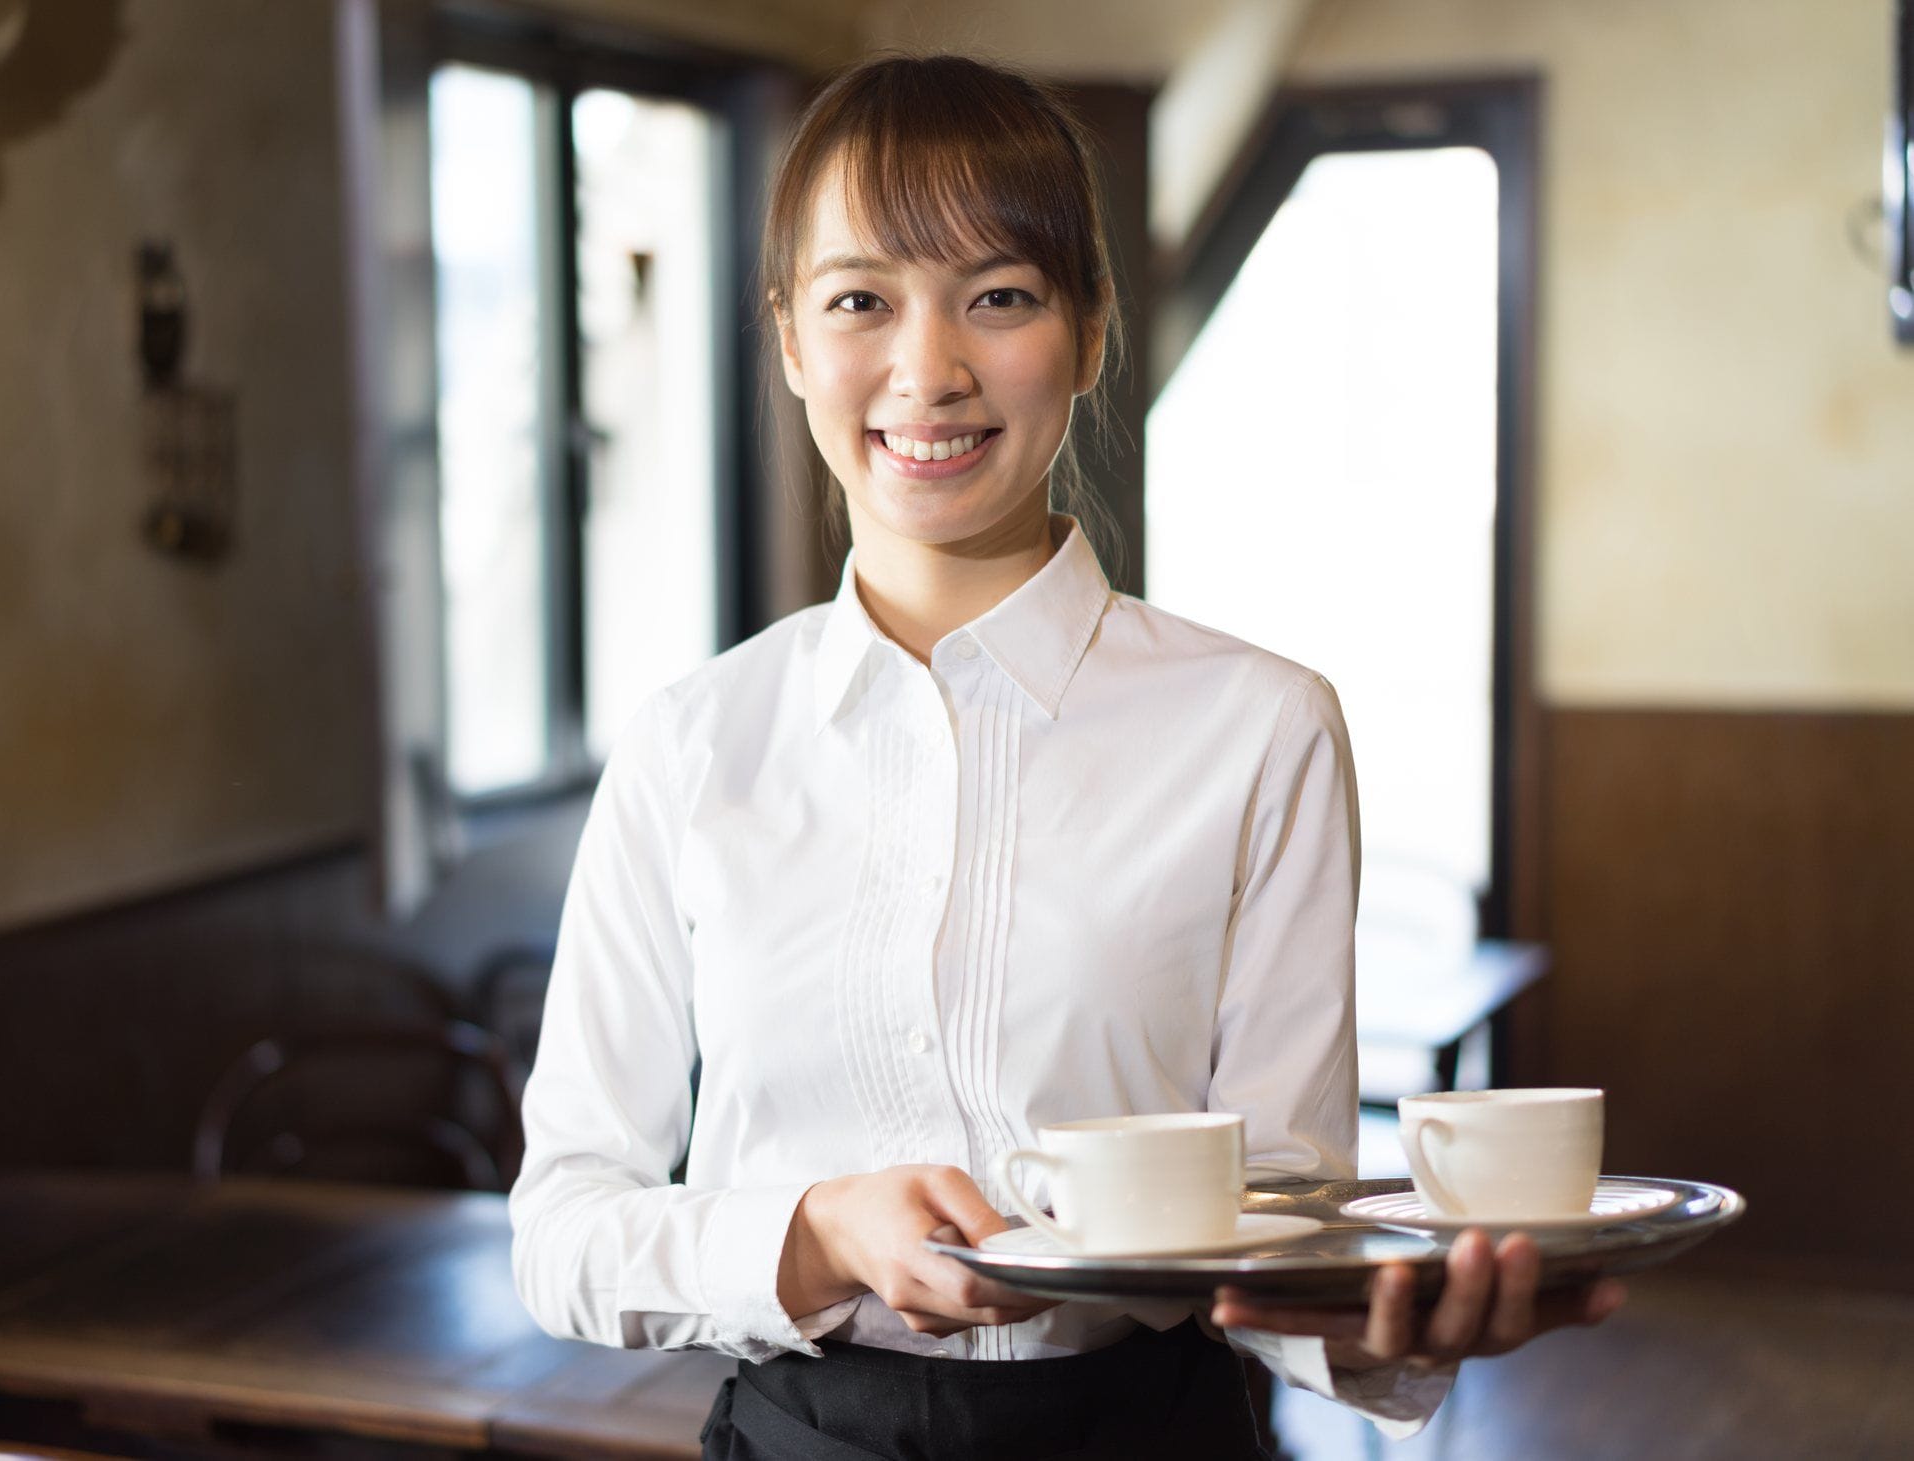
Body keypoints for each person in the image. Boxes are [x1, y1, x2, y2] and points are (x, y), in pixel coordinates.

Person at [509, 51, 1623, 1460]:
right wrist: (810, 1229)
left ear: (1090, 332)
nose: (928, 369)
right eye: (860, 300)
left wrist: (1383, 1330)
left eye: (999, 296)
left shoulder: (1259, 724)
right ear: (790, 339)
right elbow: (561, 1227)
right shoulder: (691, 744)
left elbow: (1273, 1215)